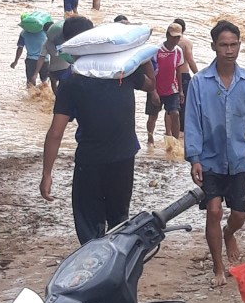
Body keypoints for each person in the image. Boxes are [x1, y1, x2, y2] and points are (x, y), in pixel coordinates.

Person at [39, 16, 161, 244]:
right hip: (124, 156)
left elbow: (55, 132)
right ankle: (116, 267)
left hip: (90, 160)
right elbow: (152, 85)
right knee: (119, 220)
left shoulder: (71, 81)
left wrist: (47, 173)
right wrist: (141, 57)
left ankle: (93, 268)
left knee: (88, 225)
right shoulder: (123, 71)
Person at [183, 20, 245, 287]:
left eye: (233, 45)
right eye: (223, 45)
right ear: (213, 47)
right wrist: (194, 158)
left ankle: (229, 234)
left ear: (239, 46)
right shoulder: (199, 82)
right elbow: (192, 121)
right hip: (210, 158)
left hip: (239, 158)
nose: (229, 50)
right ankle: (218, 268)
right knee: (214, 210)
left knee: (238, 216)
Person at [146, 24, 184, 147]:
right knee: (153, 116)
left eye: (178, 38)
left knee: (175, 114)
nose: (175, 40)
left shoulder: (179, 51)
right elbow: (150, 71)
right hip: (156, 88)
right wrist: (153, 91)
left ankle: (175, 142)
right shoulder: (157, 50)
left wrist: (181, 91)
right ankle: (150, 140)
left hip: (172, 89)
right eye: (173, 37)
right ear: (167, 35)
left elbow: (178, 70)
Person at [170, 18, 198, 132]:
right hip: (184, 76)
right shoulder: (186, 42)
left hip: (171, 77)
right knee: (184, 105)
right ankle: (181, 133)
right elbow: (190, 61)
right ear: (184, 29)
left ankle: (170, 131)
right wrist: (199, 75)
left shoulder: (168, 43)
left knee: (171, 105)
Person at [36, 20, 70, 94]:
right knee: (64, 89)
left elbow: (41, 58)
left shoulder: (46, 43)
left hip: (53, 70)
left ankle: (56, 100)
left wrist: (35, 74)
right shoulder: (66, 40)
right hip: (66, 68)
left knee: (55, 87)